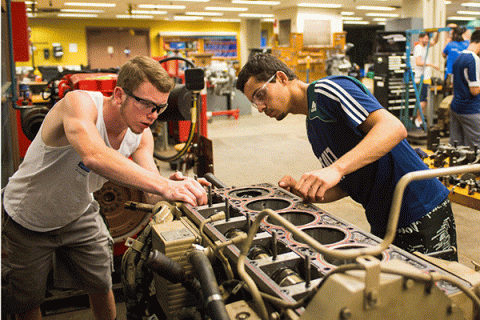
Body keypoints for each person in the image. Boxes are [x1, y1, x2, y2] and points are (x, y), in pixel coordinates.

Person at [2, 56, 209, 320]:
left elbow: (153, 193)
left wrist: (182, 188)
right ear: (120, 95)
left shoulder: (141, 135)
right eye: (146, 104)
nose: (153, 115)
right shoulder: (79, 104)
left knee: (102, 285)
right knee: (27, 301)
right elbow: (93, 156)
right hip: (26, 218)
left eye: (160, 107)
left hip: (78, 212)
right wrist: (163, 184)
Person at [236, 53, 457, 261]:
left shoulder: (327, 90)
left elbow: (393, 127)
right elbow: (348, 184)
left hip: (420, 209)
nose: (260, 107)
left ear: (281, 78)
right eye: (254, 102)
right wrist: (310, 191)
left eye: (260, 95)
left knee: (437, 295)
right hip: (384, 221)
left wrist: (335, 169)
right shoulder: (314, 128)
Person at [450, 29, 480, 148]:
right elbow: (475, 90)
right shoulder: (474, 60)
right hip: (470, 110)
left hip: (456, 108)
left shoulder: (459, 57)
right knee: (476, 149)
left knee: (457, 148)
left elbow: (453, 84)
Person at [413, 32, 440, 128]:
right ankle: (418, 119)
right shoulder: (419, 48)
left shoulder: (425, 47)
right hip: (421, 78)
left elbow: (434, 42)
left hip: (426, 78)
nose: (427, 40)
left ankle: (420, 118)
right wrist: (432, 65)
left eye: (427, 39)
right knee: (422, 100)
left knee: (425, 100)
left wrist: (438, 34)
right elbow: (418, 62)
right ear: (420, 38)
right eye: (425, 38)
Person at [443, 26, 469, 94]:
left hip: (452, 73)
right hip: (462, 73)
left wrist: (447, 41)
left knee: (453, 93)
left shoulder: (450, 44)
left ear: (455, 35)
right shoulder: (467, 44)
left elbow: (443, 55)